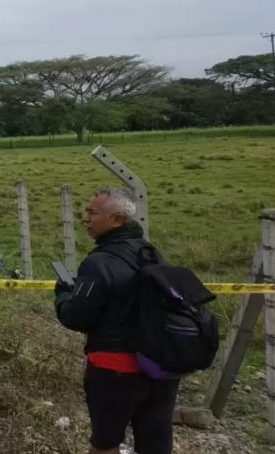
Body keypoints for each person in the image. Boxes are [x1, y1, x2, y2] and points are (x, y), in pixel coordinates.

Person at [55, 188, 179, 454]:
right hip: (161, 367)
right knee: (156, 445)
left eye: (92, 213)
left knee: (105, 444)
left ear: (117, 220)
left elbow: (76, 317)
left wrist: (63, 295)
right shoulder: (151, 253)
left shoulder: (98, 262)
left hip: (114, 369)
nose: (84, 218)